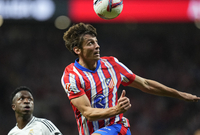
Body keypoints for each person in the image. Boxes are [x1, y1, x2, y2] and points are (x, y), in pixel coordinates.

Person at [61, 22, 200, 135]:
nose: (97, 46)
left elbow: (146, 84)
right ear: (77, 50)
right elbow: (88, 113)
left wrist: (179, 94)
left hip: (117, 128)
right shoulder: (71, 76)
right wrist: (117, 109)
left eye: (96, 42)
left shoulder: (112, 65)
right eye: (90, 43)